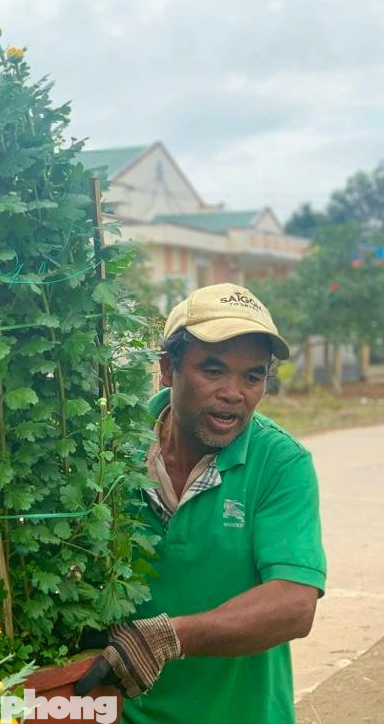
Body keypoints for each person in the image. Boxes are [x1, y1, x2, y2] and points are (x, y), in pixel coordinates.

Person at [75, 283, 326, 723]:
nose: (234, 392)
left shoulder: (280, 462)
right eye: (213, 370)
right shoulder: (107, 448)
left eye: (253, 376)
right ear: (168, 369)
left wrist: (168, 637)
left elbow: (294, 604)